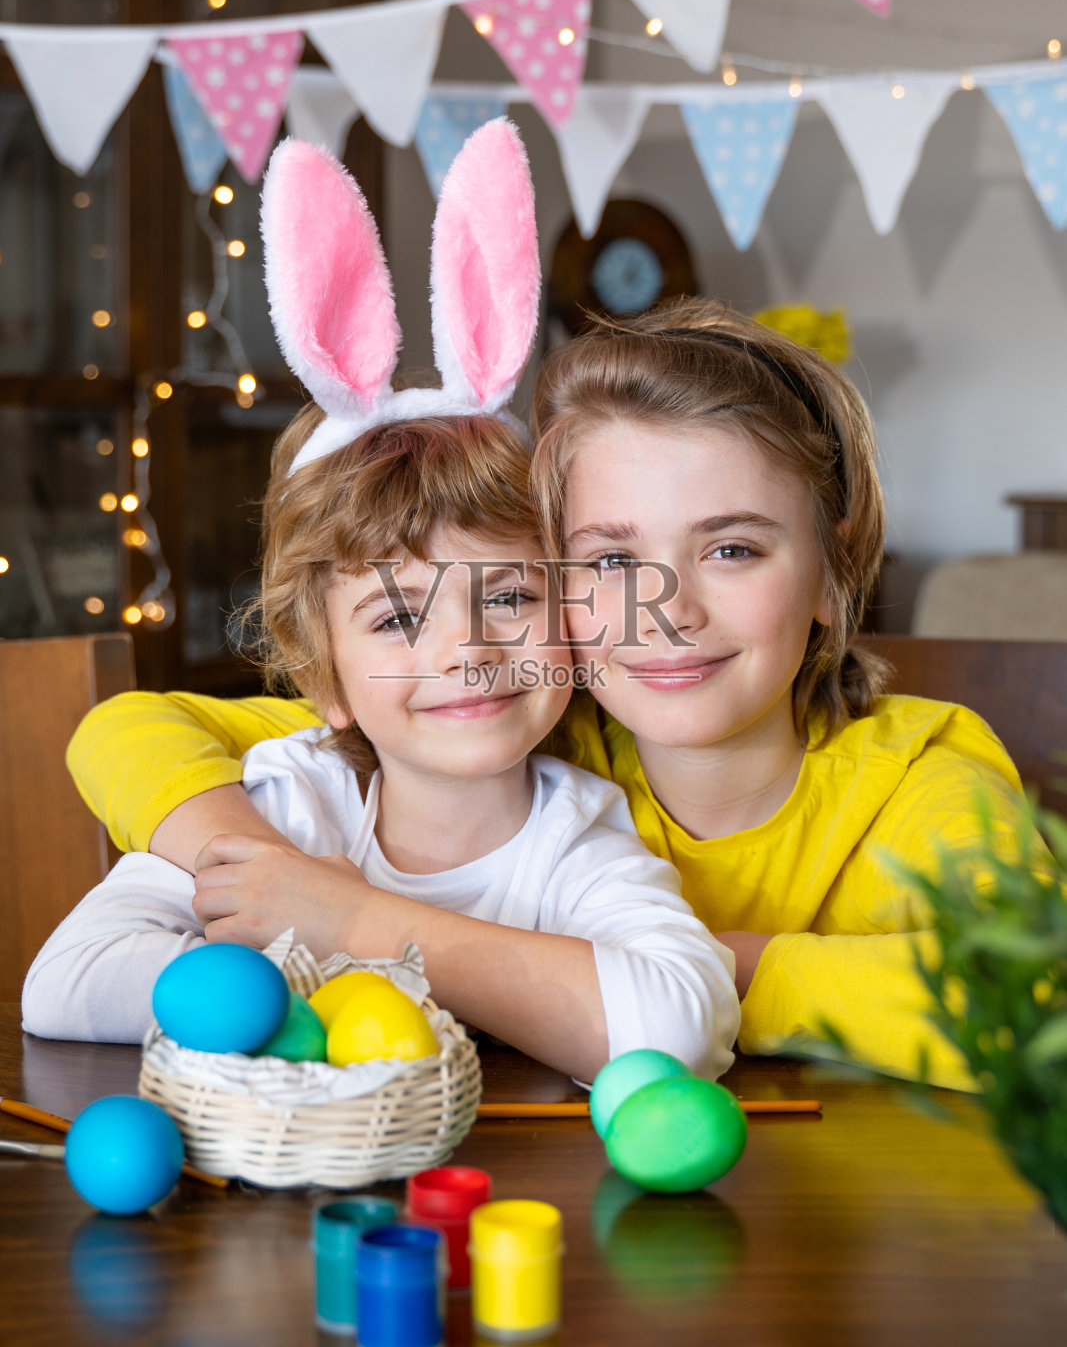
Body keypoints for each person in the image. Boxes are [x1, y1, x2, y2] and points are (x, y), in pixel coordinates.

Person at [63, 261, 1024, 1093]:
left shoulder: (917, 782)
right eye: (608, 563)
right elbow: (128, 731)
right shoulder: (515, 740)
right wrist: (273, 878)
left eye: (731, 549)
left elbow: (1033, 1004)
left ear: (831, 571)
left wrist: (732, 972)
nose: (670, 608)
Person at [22, 123, 739, 1086]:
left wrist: (349, 925)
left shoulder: (576, 839)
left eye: (511, 596)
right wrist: (300, 989)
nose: (467, 650)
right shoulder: (287, 802)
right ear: (328, 679)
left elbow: (682, 1024)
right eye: (399, 618)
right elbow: (63, 983)